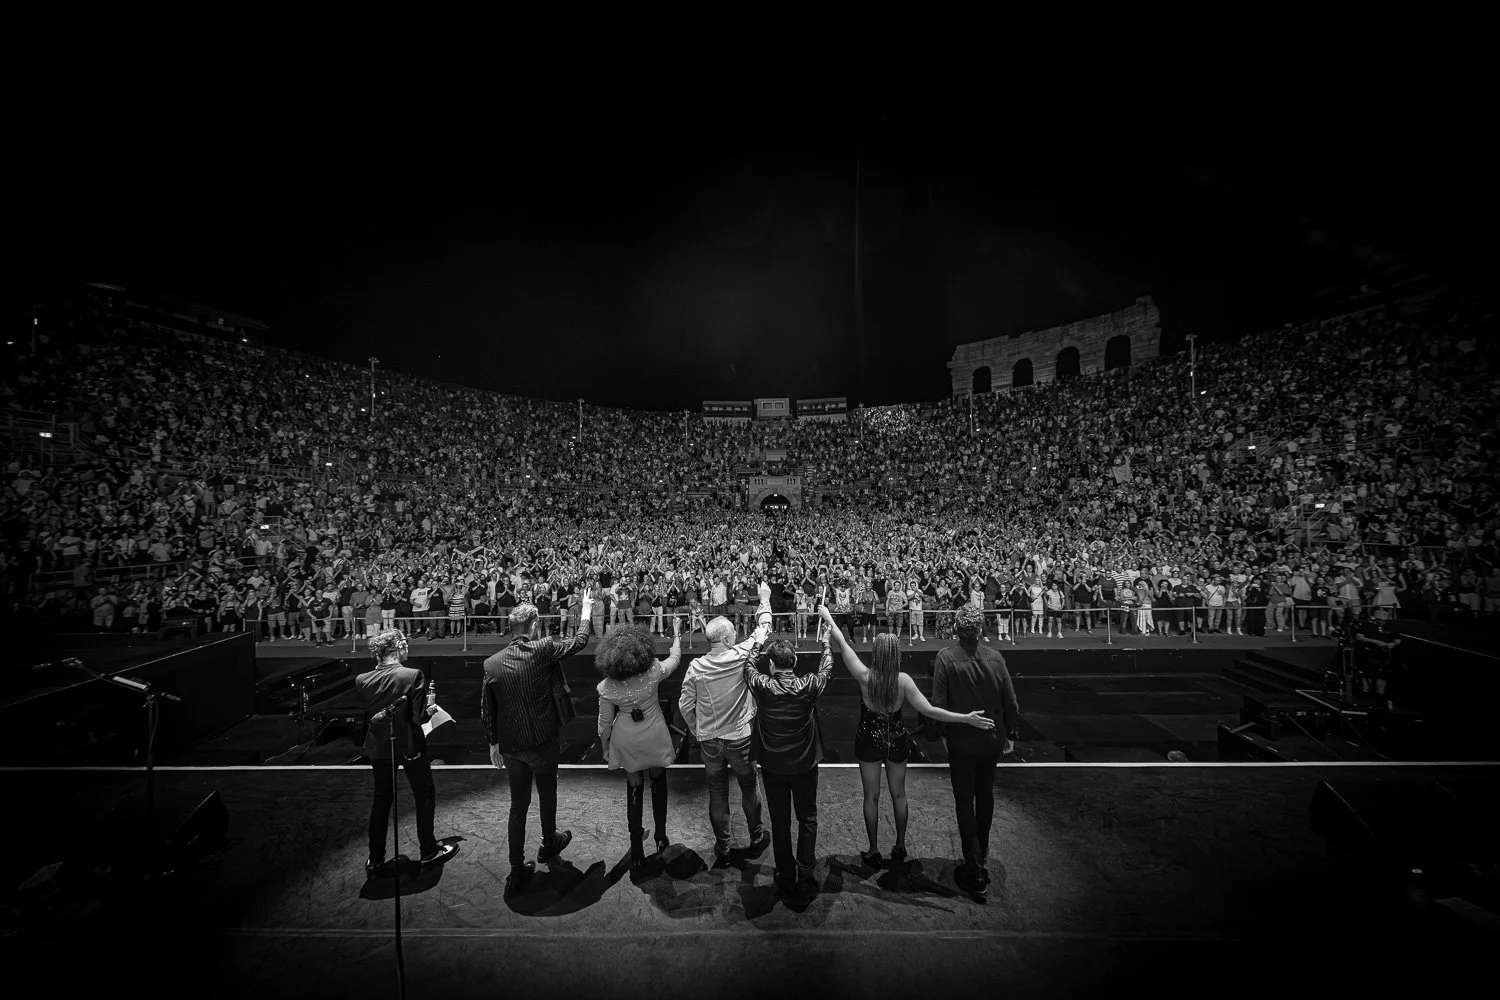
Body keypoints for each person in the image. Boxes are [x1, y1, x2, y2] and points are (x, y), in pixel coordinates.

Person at [818, 605, 994, 870]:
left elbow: (841, 642)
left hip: (868, 740)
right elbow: (931, 711)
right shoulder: (903, 681)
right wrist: (965, 718)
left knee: (871, 797)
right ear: (896, 655)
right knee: (899, 796)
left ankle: (874, 850)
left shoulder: (865, 676)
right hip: (897, 740)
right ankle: (900, 845)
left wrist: (827, 616)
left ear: (877, 654)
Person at [482, 595, 594, 896]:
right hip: (542, 741)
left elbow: (487, 708)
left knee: (518, 806)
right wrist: (586, 610)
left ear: (511, 628)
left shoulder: (491, 664)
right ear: (533, 626)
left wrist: (493, 742)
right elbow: (580, 640)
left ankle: (516, 869)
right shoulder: (543, 649)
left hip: (511, 745)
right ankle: (548, 844)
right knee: (547, 794)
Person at [931, 605, 1020, 902]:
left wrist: (943, 734)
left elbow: (938, 704)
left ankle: (974, 868)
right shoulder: (996, 657)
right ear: (981, 630)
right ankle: (981, 855)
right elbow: (1011, 701)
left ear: (956, 629)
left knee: (964, 801)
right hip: (991, 740)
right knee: (985, 795)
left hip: (961, 742)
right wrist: (1011, 733)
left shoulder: (945, 657)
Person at [354, 629, 459, 877]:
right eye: (405, 644)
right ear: (398, 646)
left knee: (382, 800)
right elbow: (418, 716)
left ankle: (375, 859)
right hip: (410, 745)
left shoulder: (361, 680)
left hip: (379, 748)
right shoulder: (412, 675)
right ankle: (428, 851)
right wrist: (431, 710)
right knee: (424, 796)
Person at [678, 606, 773, 868]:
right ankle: (756, 839)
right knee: (749, 787)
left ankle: (724, 848)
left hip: (710, 742)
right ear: (728, 639)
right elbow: (763, 628)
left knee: (717, 793)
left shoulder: (696, 667)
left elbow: (685, 706)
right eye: (733, 634)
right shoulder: (741, 655)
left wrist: (699, 729)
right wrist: (764, 601)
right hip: (740, 738)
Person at [746, 636, 833, 905]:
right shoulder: (808, 684)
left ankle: (785, 873)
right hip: (804, 765)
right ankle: (806, 873)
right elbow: (827, 668)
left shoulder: (762, 684)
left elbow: (748, 665)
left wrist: (758, 642)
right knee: (807, 818)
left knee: (780, 822)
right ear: (794, 661)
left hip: (773, 766)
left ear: (771, 665)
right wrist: (826, 644)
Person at [596, 621, 683, 869]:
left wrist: (605, 748)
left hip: (626, 739)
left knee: (634, 788)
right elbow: (675, 658)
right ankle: (661, 836)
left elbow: (604, 724)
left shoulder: (606, 687)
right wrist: (676, 633)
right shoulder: (653, 671)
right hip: (654, 734)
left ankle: (636, 850)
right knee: (658, 782)